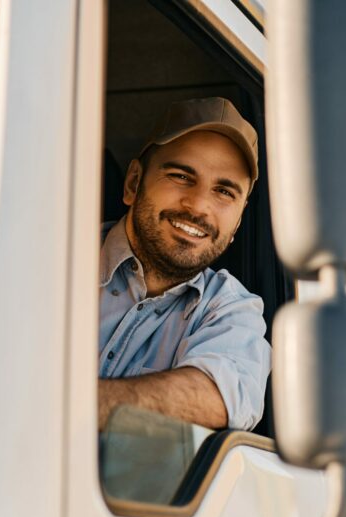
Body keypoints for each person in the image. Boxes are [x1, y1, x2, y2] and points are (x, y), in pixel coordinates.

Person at [98, 97, 271, 432]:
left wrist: (53, 406)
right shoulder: (39, 253)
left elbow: (219, 397)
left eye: (224, 192)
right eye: (180, 175)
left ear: (237, 222)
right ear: (134, 183)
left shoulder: (233, 310)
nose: (199, 207)